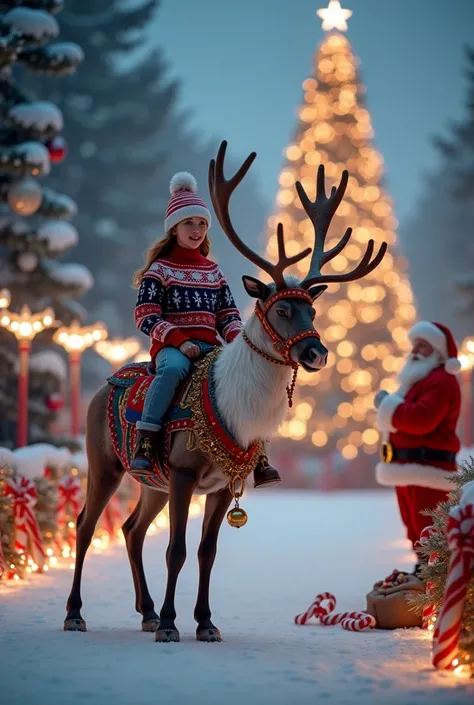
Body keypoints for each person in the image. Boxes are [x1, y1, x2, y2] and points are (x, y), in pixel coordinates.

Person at [130, 171, 281, 488]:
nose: (196, 230)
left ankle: (260, 455)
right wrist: (178, 341)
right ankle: (146, 438)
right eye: (189, 224)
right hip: (173, 348)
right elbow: (145, 314)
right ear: (174, 228)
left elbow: (227, 314)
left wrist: (238, 344)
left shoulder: (213, 271)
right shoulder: (160, 270)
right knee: (172, 371)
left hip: (212, 348)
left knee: (243, 382)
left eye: (201, 224)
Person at [374, 321, 461, 570]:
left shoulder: (442, 381)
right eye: (414, 345)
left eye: (422, 346)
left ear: (437, 351)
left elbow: (421, 420)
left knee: (428, 530)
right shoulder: (420, 380)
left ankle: (433, 578)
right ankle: (423, 574)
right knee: (414, 528)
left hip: (428, 469)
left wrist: (387, 404)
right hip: (409, 467)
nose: (414, 351)